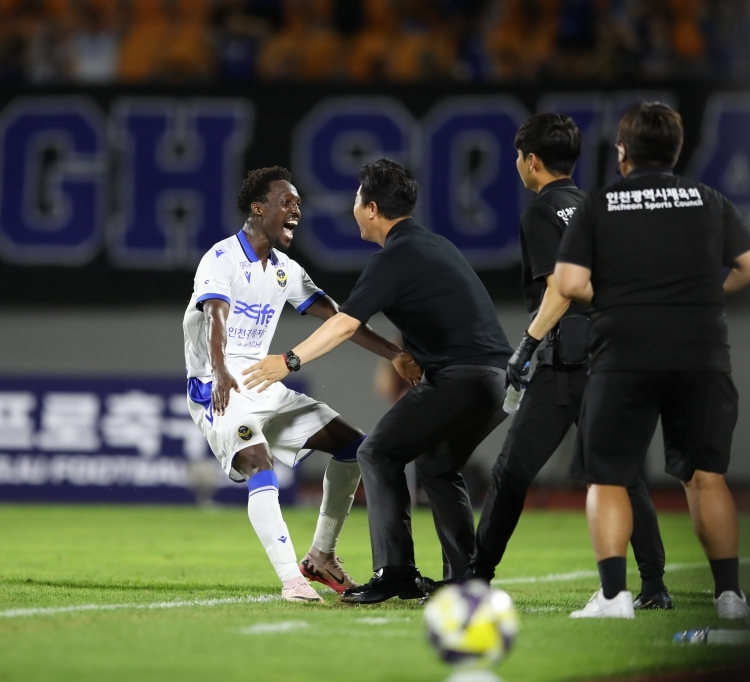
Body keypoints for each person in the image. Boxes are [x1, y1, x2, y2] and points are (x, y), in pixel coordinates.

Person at [243, 159, 513, 604]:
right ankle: (467, 578)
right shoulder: (433, 245)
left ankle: (396, 573)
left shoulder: (394, 258)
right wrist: (398, 354)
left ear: (371, 209)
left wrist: (289, 360)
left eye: (356, 198)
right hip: (497, 380)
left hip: (462, 377)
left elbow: (344, 323)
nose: (353, 206)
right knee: (437, 465)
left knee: (377, 452)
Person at [554, 102, 750, 619]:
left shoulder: (600, 204)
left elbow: (569, 283)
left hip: (624, 350)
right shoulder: (708, 199)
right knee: (705, 476)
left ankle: (614, 598)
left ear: (622, 152)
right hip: (700, 350)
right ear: (675, 150)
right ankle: (730, 597)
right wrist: (706, 296)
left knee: (608, 475)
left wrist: (621, 298)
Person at [463, 113, 673, 610]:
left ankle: (477, 576)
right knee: (622, 472)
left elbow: (560, 289)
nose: (518, 164)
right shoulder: (598, 207)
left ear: (532, 161)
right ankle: (654, 586)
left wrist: (526, 345)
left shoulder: (541, 212)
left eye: (519, 157)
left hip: (567, 362)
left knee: (512, 470)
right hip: (614, 354)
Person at [183, 166, 420, 603]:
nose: (296, 210)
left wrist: (394, 354)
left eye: (298, 203)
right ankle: (292, 580)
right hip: (220, 386)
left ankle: (320, 556)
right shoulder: (221, 259)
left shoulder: (286, 270)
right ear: (258, 209)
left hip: (264, 382)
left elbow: (341, 318)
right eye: (286, 202)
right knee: (258, 462)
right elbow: (215, 316)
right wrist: (219, 372)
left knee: (356, 448)